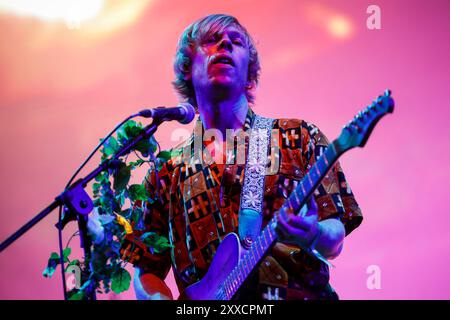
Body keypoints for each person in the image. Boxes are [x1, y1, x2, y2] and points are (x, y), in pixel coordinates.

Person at [120, 14, 362, 300]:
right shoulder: (165, 173)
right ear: (187, 66)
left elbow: (335, 237)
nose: (225, 43)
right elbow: (146, 270)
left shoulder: (298, 137)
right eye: (211, 40)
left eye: (236, 42)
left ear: (249, 71)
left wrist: (313, 234)